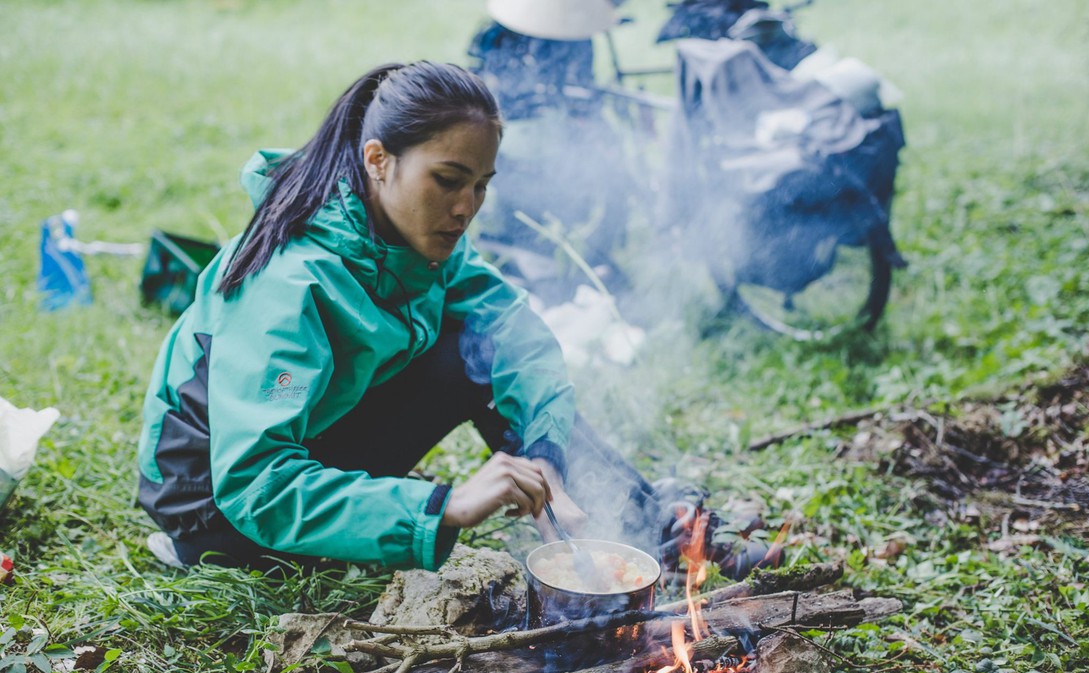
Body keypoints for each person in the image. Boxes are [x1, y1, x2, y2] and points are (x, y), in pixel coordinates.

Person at [137, 60, 771, 577]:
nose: (466, 208)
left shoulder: (413, 242)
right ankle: (637, 527)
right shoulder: (288, 284)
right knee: (461, 351)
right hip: (219, 512)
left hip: (309, 449)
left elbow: (516, 338)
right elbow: (256, 484)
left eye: (482, 185)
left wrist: (544, 450)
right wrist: (445, 506)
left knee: (477, 344)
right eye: (448, 180)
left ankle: (645, 529)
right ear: (378, 160)